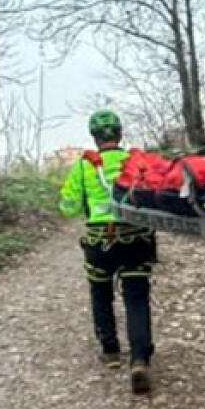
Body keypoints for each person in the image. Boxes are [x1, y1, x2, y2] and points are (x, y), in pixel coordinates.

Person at [58, 110, 158, 394]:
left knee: (101, 294)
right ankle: (139, 359)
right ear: (119, 134)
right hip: (136, 240)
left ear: (94, 137)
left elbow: (68, 207)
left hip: (99, 243)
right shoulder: (134, 161)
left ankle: (111, 350)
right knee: (136, 297)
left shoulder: (83, 167)